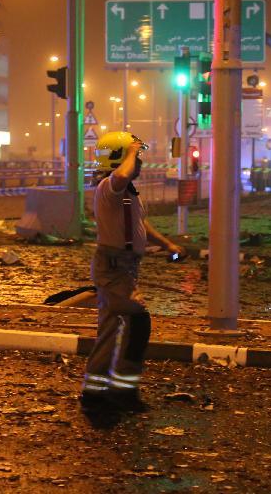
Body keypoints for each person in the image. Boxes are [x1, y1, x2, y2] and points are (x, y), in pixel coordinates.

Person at [80, 131, 185, 413]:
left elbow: (140, 224)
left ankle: (96, 393)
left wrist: (167, 244)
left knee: (111, 329)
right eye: (135, 157)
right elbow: (122, 176)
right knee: (137, 322)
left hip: (124, 268)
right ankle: (122, 392)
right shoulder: (109, 186)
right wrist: (130, 153)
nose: (138, 163)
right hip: (114, 267)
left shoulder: (127, 193)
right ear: (118, 158)